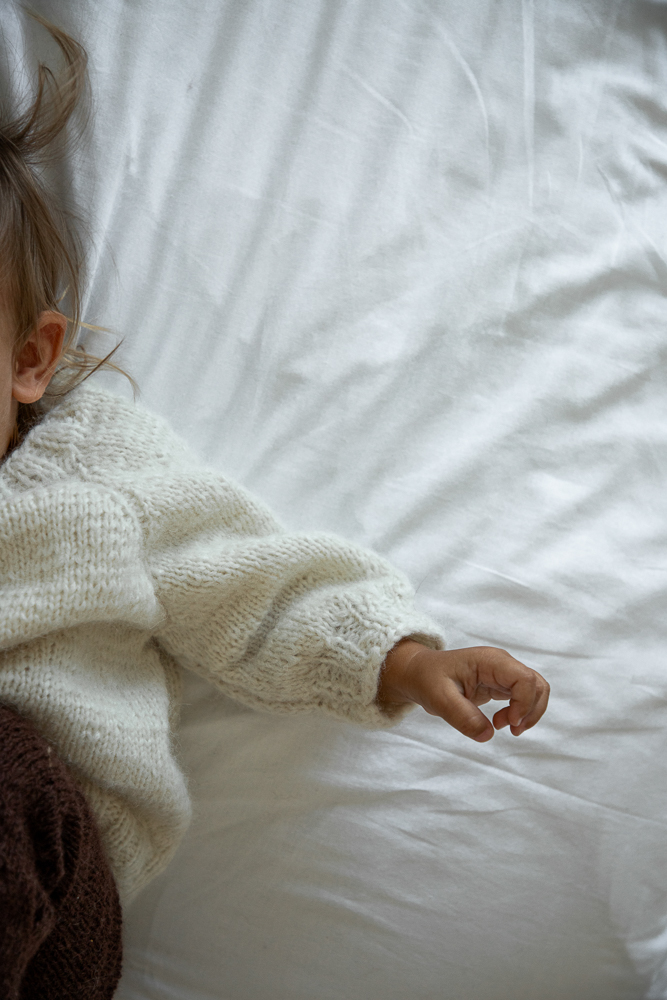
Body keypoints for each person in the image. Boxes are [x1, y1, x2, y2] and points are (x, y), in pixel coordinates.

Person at [0, 14, 550, 1000]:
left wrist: (401, 658)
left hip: (51, 893)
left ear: (30, 359)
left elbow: (249, 588)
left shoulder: (92, 479)